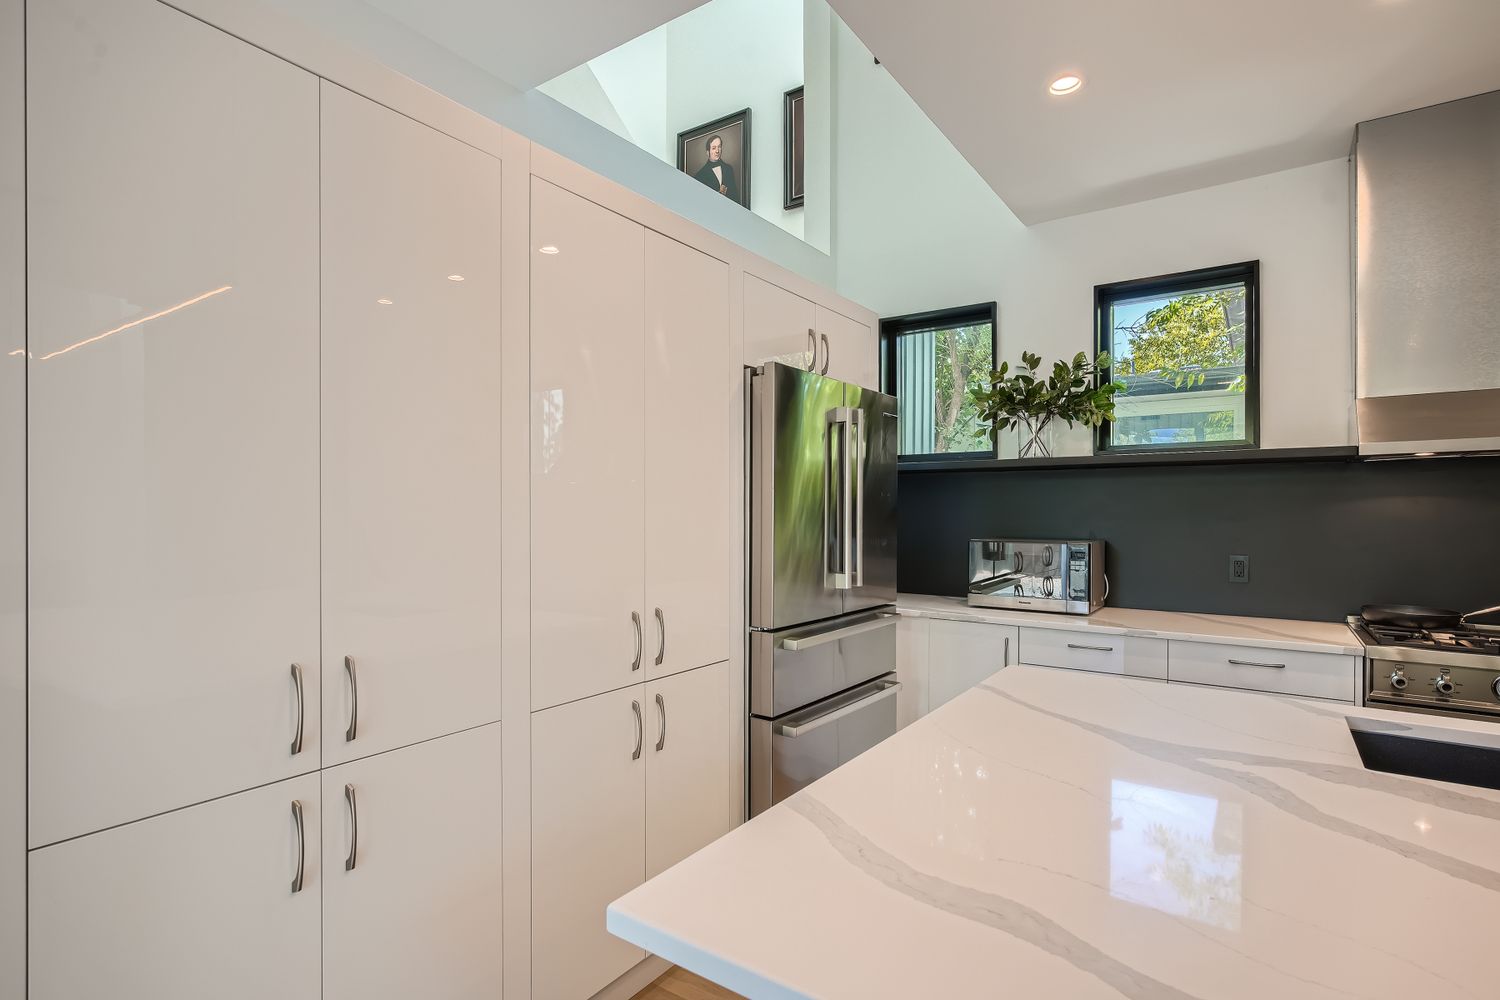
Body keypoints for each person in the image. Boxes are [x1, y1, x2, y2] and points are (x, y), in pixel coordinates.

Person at [692, 133, 739, 203]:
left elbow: (735, 197)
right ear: (708, 152)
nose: (717, 151)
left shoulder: (728, 169)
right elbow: (699, 201)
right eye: (714, 148)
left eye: (719, 147)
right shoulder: (700, 175)